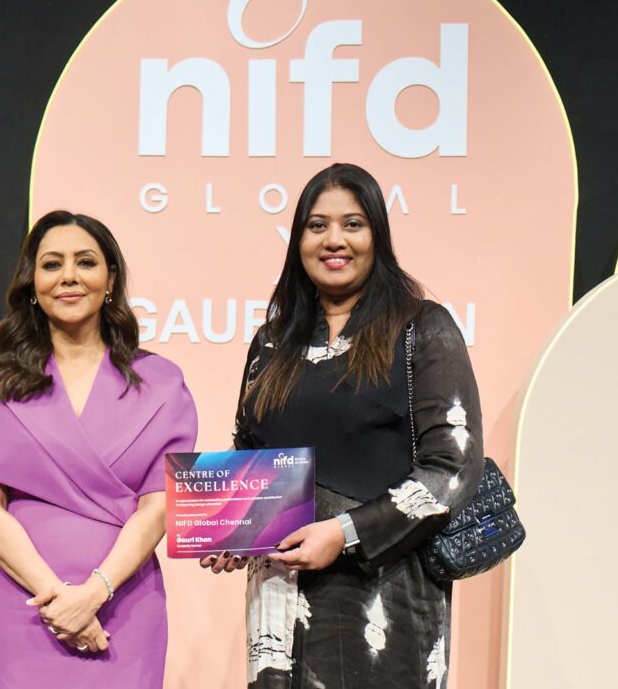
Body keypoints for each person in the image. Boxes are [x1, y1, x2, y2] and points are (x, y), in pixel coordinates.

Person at [201, 163, 484, 689]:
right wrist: (230, 527)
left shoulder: (422, 327)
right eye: (316, 225)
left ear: (377, 234)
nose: (334, 240)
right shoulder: (271, 342)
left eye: (352, 224)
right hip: (279, 600)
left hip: (383, 593)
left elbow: (452, 467)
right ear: (298, 240)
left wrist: (345, 533)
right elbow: (249, 450)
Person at [0, 210, 196, 688]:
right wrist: (58, 600)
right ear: (32, 283)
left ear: (110, 278)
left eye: (85, 262)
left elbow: (158, 508)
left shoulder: (163, 383)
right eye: (51, 264)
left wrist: (94, 594)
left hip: (125, 608)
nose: (68, 276)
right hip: (22, 608)